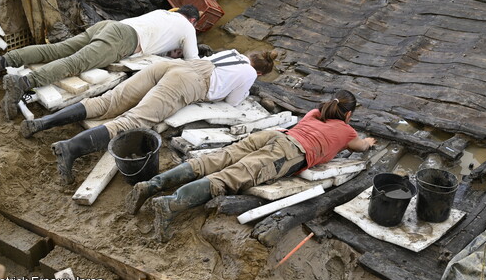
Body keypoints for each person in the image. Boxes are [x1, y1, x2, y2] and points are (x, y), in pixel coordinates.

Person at [125, 89, 376, 242]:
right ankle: (169, 205)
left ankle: (151, 185)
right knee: (228, 178)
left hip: (272, 135)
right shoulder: (346, 130)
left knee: (213, 160)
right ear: (348, 114)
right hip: (288, 152)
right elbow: (361, 146)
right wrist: (368, 141)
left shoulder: (314, 114)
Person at [20, 49, 278, 184]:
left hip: (171, 67)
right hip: (186, 81)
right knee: (133, 122)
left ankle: (42, 123)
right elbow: (233, 101)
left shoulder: (233, 53)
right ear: (262, 72)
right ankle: (69, 148)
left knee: (107, 101)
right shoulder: (251, 74)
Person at [0, 5, 201, 120]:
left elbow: (158, 37)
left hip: (110, 26)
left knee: (57, 49)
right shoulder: (188, 27)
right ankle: (23, 83)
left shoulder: (164, 13)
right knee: (75, 63)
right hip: (123, 39)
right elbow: (194, 61)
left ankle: (0, 61)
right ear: (192, 20)